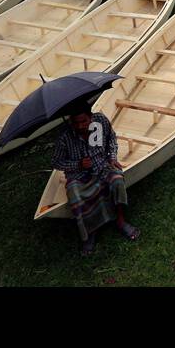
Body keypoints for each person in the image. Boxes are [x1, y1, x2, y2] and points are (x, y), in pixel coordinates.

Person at [52, 100, 139, 256]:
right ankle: (90, 231)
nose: (80, 126)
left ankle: (120, 220)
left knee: (117, 180)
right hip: (78, 175)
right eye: (76, 122)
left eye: (84, 121)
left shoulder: (100, 121)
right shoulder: (64, 136)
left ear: (91, 117)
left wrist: (112, 157)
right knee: (76, 196)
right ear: (71, 121)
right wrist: (78, 164)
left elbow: (111, 138)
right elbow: (57, 162)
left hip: (102, 165)